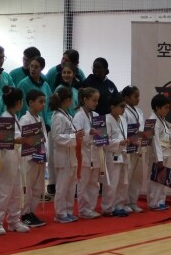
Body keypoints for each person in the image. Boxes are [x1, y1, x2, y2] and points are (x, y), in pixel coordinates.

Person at [0, 87, 29, 235]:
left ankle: (14, 220)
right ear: (19, 102)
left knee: (16, 191)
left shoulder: (14, 117)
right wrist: (16, 140)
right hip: (5, 159)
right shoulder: (3, 118)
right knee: (3, 191)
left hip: (16, 159)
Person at [48, 86, 78, 223]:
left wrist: (76, 135)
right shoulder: (57, 116)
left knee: (71, 186)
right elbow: (56, 136)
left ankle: (68, 211)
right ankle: (60, 213)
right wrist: (74, 137)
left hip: (71, 155)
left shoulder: (67, 115)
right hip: (62, 156)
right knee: (62, 187)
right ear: (67, 100)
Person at [18, 89, 48, 228]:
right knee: (28, 187)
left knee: (38, 187)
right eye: (40, 102)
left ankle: (31, 212)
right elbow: (23, 141)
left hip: (40, 156)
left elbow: (44, 138)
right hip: (29, 159)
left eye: (44, 102)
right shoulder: (24, 119)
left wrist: (44, 153)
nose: (43, 104)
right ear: (30, 102)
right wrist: (33, 154)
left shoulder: (40, 119)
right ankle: (24, 214)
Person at [72, 87, 103, 219]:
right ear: (85, 100)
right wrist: (89, 133)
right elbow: (77, 137)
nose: (96, 103)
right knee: (83, 182)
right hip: (83, 153)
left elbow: (101, 134)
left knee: (94, 183)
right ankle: (83, 209)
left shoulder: (96, 115)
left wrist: (102, 137)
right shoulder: (78, 116)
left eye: (97, 100)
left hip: (95, 152)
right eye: (94, 100)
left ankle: (91, 208)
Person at [101, 93, 130, 217]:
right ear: (112, 107)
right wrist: (119, 142)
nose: (123, 109)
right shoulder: (105, 120)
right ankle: (108, 208)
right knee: (111, 184)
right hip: (111, 155)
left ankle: (119, 206)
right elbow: (104, 141)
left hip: (123, 154)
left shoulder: (123, 120)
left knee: (123, 183)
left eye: (124, 106)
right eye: (121, 106)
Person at [122, 86, 149, 213]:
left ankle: (133, 202)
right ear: (127, 98)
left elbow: (142, 129)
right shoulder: (124, 112)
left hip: (139, 147)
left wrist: (146, 134)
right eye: (135, 96)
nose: (138, 99)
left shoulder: (139, 111)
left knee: (137, 177)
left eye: (138, 96)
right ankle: (124, 202)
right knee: (127, 176)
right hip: (128, 147)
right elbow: (123, 130)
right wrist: (136, 135)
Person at [147, 94, 171, 211]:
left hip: (165, 153)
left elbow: (166, 137)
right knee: (155, 180)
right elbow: (155, 141)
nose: (168, 110)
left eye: (168, 107)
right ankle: (153, 203)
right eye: (166, 107)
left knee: (162, 179)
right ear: (157, 108)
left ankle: (160, 201)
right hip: (157, 155)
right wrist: (159, 159)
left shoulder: (162, 120)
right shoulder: (152, 120)